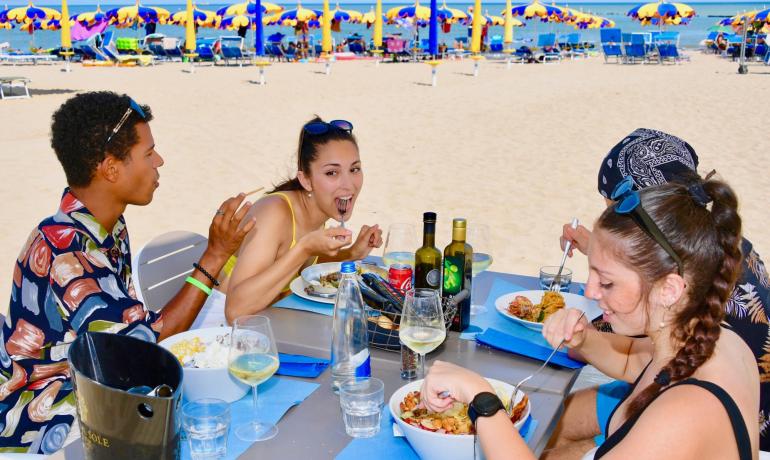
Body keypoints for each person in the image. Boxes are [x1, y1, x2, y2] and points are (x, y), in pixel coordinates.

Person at [423, 175, 759, 459]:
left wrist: (482, 399)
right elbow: (635, 365)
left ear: (669, 289)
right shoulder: (713, 338)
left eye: (607, 281)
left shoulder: (685, 413)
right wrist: (585, 340)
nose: (590, 292)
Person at [0, 91, 254, 453]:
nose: (159, 161)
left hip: (98, 389)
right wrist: (215, 255)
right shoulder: (66, 252)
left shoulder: (105, 227)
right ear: (111, 168)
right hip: (49, 420)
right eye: (149, 153)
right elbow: (138, 349)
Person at [550, 128, 769, 458]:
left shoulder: (685, 403)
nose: (593, 290)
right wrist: (603, 255)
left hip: (699, 420)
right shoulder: (717, 247)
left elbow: (619, 333)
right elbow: (637, 356)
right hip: (680, 388)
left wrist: (484, 404)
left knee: (549, 425)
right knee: (557, 421)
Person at [225, 117, 382, 321]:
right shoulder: (274, 213)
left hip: (269, 319)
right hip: (218, 327)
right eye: (332, 172)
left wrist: (352, 253)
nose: (348, 184)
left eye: (354, 169)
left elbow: (304, 269)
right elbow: (235, 311)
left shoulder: (317, 207)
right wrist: (304, 248)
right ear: (306, 180)